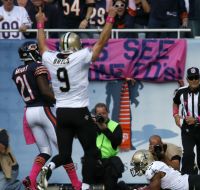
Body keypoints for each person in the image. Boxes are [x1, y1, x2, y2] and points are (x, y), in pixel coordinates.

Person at [35, 5, 117, 190]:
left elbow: (42, 46)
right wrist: (110, 19)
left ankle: (48, 167)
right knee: (92, 151)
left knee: (64, 155)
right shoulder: (80, 56)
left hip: (62, 113)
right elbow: (102, 42)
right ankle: (85, 186)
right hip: (79, 112)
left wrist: (40, 23)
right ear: (75, 45)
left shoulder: (50, 58)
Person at [12, 41, 57, 190]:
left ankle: (31, 179)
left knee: (45, 151)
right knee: (64, 148)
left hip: (29, 112)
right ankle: (77, 185)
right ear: (31, 52)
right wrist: (59, 101)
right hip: (42, 109)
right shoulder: (37, 67)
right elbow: (44, 91)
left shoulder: (16, 71)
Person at [173, 67, 200, 177]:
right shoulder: (181, 91)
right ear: (187, 79)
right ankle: (186, 182)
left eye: (196, 77)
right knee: (188, 154)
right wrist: (175, 115)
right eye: (191, 78)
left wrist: (197, 119)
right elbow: (175, 103)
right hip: (187, 128)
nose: (194, 80)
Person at [81, 103, 125, 190]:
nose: (102, 116)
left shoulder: (115, 125)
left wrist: (105, 129)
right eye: (99, 114)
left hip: (109, 163)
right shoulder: (91, 125)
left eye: (104, 113)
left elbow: (117, 141)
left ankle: (121, 187)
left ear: (108, 113)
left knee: (109, 187)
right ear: (95, 114)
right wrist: (89, 122)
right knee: (87, 186)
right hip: (92, 161)